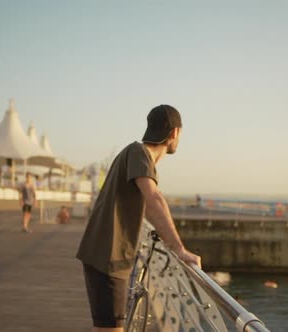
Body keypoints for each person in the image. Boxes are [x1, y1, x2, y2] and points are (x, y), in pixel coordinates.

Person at [76, 104, 201, 332]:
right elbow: (154, 199)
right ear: (174, 133)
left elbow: (147, 202)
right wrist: (179, 249)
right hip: (107, 256)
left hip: (106, 254)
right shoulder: (139, 152)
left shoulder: (137, 156)